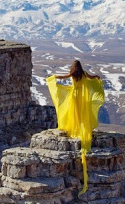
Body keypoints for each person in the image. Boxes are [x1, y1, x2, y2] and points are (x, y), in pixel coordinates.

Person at [45, 60, 105, 195]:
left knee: (74, 113)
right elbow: (92, 78)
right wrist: (97, 78)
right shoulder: (83, 73)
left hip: (74, 96)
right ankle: (81, 128)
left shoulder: (72, 74)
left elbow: (62, 78)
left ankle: (75, 128)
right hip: (82, 98)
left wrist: (53, 78)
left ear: (73, 67)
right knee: (83, 114)